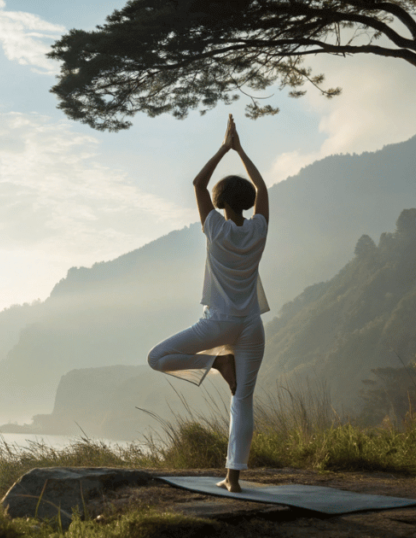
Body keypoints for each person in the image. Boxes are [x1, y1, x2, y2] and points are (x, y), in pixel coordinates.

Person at [147, 114, 269, 493]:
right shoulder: (259, 229)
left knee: (157, 357)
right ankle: (233, 479)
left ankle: (217, 363)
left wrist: (224, 147)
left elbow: (198, 182)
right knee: (243, 401)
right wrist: (241, 150)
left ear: (219, 203)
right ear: (245, 202)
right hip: (250, 325)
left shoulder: (214, 228)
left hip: (218, 323)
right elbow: (262, 187)